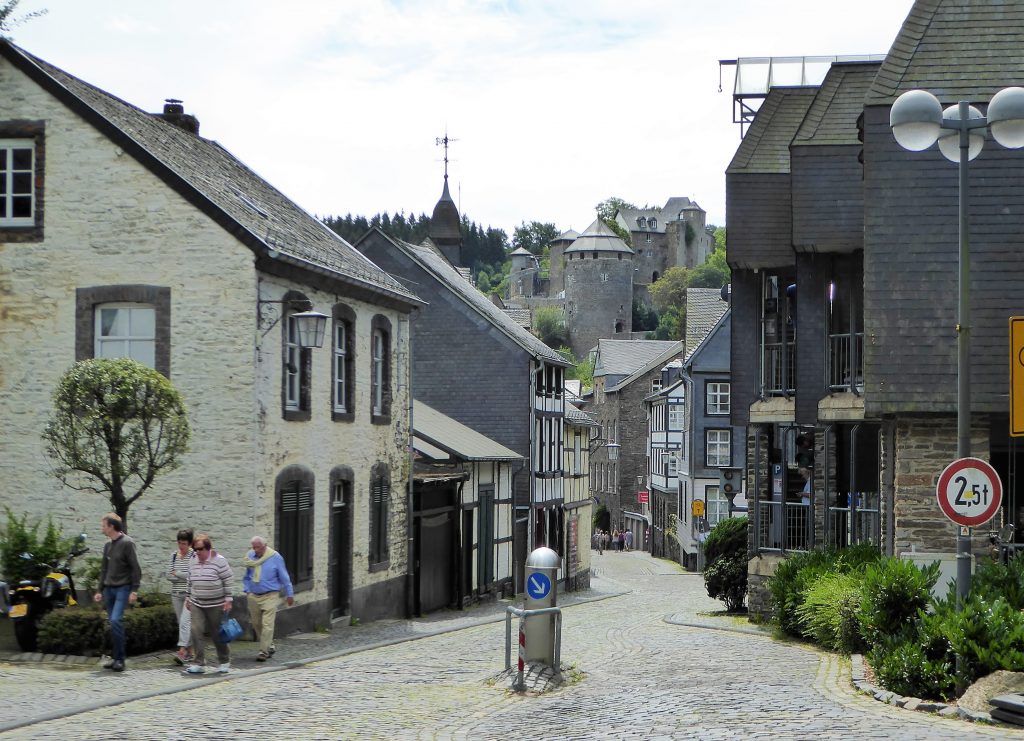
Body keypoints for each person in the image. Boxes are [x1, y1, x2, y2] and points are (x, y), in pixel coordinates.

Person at [94, 513, 142, 672]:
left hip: (123, 588)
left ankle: (120, 660)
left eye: (103, 525)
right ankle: (115, 657)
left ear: (111, 526)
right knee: (113, 624)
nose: (102, 528)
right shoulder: (107, 545)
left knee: (115, 620)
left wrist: (134, 589)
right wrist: (100, 589)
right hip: (109, 589)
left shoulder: (128, 543)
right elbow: (104, 569)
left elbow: (135, 568)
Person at [184, 533, 233, 675]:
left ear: (208, 548)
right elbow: (190, 579)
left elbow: (228, 579)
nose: (197, 552)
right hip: (197, 602)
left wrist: (228, 599)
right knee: (196, 630)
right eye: (195, 549)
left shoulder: (219, 561)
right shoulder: (192, 560)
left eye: (200, 549)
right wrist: (188, 597)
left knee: (217, 633)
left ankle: (224, 660)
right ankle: (199, 663)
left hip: (216, 603)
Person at [242, 535, 294, 662]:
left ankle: (263, 652)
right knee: (256, 623)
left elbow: (284, 577)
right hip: (253, 595)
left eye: (258, 547)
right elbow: (247, 576)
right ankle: (269, 646)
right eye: (253, 547)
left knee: (267, 624)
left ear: (264, 546)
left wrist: (289, 593)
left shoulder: (275, 557)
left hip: (270, 594)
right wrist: (247, 590)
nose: (255, 550)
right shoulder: (250, 556)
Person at [168, 528, 194, 665]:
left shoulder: (193, 556)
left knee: (185, 623)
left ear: (189, 544)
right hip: (176, 594)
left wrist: (176, 573)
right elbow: (168, 575)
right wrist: (180, 575)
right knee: (182, 624)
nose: (181, 546)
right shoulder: (173, 555)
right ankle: (190, 652)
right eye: (179, 543)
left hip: (189, 594)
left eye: (184, 543)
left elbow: (191, 575)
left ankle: (182, 651)